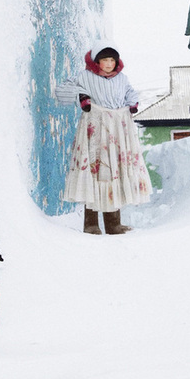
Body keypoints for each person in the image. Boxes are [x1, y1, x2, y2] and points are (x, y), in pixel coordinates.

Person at [55, 40, 152, 234]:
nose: (109, 64)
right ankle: (91, 224)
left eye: (112, 60)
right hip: (95, 128)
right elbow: (62, 89)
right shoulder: (85, 76)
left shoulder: (121, 79)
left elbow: (130, 92)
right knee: (95, 170)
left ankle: (113, 224)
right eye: (105, 60)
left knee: (114, 170)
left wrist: (132, 103)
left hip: (117, 130)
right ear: (96, 61)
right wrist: (81, 97)